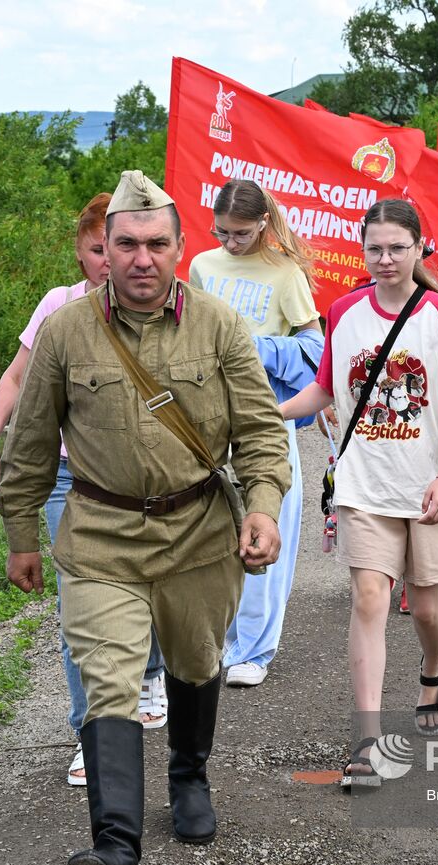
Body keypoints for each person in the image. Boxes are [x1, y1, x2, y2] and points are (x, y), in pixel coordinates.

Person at [0, 171, 291, 865]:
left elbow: (260, 431)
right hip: (101, 538)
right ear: (104, 252)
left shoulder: (219, 325)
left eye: (156, 243)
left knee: (196, 662)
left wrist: (263, 505)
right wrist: (21, 533)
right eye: (124, 243)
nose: (139, 258)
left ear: (178, 249)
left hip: (198, 535)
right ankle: (117, 854)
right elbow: (29, 443)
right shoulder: (65, 331)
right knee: (109, 681)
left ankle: (189, 775)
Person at [278, 200, 438, 786]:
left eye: (398, 247)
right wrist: (272, 416)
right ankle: (366, 743)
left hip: (427, 484)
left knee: (426, 606)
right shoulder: (343, 311)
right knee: (369, 597)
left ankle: (433, 666)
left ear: (421, 248)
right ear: (362, 250)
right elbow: (324, 390)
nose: (386, 259)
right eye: (375, 248)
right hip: (365, 483)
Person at [0, 193, 167, 792]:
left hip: (139, 479)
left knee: (151, 587)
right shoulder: (58, 310)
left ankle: (151, 669)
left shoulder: (161, 309)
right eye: (99, 249)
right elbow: (15, 377)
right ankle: (92, 734)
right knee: (76, 604)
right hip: (66, 475)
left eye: (136, 246)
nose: (113, 262)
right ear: (87, 251)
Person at [188, 179, 320, 688]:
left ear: (263, 223)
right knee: (211, 534)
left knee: (265, 530)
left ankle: (256, 650)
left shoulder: (285, 273)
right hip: (205, 421)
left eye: (240, 233)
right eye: (221, 232)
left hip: (265, 418)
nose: (230, 243)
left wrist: (256, 348)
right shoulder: (202, 266)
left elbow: (313, 348)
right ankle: (218, 637)